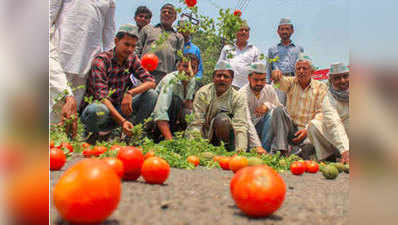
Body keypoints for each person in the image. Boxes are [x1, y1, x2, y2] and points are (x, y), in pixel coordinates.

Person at [79, 24, 157, 144]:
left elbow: (151, 82)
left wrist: (130, 93)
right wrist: (122, 122)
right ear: (116, 41)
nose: (130, 49)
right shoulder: (101, 61)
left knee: (151, 95)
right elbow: (102, 98)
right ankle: (91, 136)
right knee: (97, 109)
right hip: (99, 113)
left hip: (117, 110)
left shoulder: (132, 59)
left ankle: (133, 135)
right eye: (126, 44)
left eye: (133, 46)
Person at [271, 54, 349, 163]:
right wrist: (276, 76)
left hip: (308, 131)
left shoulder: (321, 87)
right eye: (298, 69)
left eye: (304, 68)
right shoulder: (291, 82)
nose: (301, 71)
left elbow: (321, 113)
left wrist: (306, 130)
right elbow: (279, 84)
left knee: (308, 147)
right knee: (278, 110)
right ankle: (282, 150)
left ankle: (304, 152)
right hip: (292, 128)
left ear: (312, 72)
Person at [50, 0, 116, 108]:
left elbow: (109, 32)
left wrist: (113, 62)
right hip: (61, 53)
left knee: (72, 110)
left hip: (88, 61)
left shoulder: (109, 2)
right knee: (53, 104)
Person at [186, 61, 248, 152]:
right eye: (218, 76)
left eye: (226, 76)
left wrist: (240, 151)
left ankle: (226, 151)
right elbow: (196, 123)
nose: (222, 79)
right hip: (205, 135)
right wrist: (194, 147)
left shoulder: (238, 98)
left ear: (231, 79)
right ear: (213, 78)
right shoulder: (203, 93)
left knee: (222, 120)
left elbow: (240, 126)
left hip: (227, 137)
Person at [150, 53, 199, 142]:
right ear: (178, 67)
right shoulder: (170, 81)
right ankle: (161, 136)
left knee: (189, 112)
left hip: (174, 116)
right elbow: (160, 112)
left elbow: (187, 104)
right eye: (185, 66)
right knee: (176, 100)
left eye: (193, 67)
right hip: (154, 118)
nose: (188, 70)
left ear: (196, 71)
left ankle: (182, 137)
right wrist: (170, 140)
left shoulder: (192, 80)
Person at [307, 62, 350, 163]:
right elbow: (334, 123)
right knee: (313, 125)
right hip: (339, 141)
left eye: (345, 76)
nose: (342, 81)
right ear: (331, 80)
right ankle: (329, 158)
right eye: (337, 78)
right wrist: (345, 149)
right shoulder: (328, 99)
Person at [136, 3, 184, 84]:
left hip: (165, 77)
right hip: (144, 72)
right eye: (164, 12)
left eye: (170, 12)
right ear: (160, 14)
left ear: (175, 18)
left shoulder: (179, 37)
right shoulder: (147, 29)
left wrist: (173, 78)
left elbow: (179, 60)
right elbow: (137, 49)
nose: (166, 14)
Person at [239, 62, 281, 154]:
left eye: (262, 80)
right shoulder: (242, 94)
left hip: (264, 129)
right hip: (246, 130)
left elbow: (279, 109)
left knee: (273, 113)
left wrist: (267, 105)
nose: (259, 83)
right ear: (249, 78)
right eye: (256, 80)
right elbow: (247, 121)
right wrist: (257, 145)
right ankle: (258, 151)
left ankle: (264, 153)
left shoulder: (269, 89)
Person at [267, 18, 304, 105]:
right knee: (277, 107)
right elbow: (268, 68)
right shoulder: (272, 49)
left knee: (293, 108)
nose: (284, 31)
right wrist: (267, 85)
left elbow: (302, 66)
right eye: (282, 29)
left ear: (292, 31)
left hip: (294, 81)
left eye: (287, 29)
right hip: (278, 82)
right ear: (278, 31)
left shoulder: (299, 49)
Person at [218, 22, 260, 89]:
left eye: (246, 30)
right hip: (227, 85)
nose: (244, 32)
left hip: (246, 88)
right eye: (241, 30)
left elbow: (257, 70)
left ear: (248, 34)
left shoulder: (254, 50)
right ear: (236, 33)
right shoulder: (227, 48)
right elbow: (219, 66)